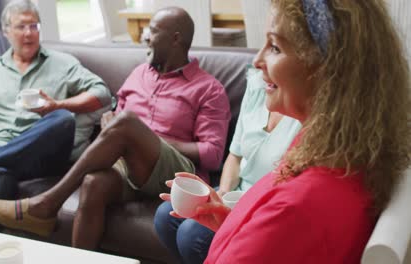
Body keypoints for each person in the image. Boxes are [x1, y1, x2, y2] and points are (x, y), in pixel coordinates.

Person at [159, 0, 410, 263]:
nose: (257, 61)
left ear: (328, 70)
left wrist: (256, 232)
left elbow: (289, 222)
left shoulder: (297, 207)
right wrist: (235, 225)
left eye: (275, 47)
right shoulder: (336, 153)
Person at [0, 6, 231, 248]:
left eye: (153, 31)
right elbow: (118, 113)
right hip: (128, 167)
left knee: (127, 124)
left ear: (175, 39)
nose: (145, 36)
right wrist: (110, 120)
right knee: (93, 183)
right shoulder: (139, 73)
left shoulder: (208, 89)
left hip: (176, 174)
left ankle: (46, 204)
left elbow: (213, 154)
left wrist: (144, 137)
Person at [0, 0, 111, 232]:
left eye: (34, 26)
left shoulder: (62, 63)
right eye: (21, 27)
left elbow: (102, 93)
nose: (29, 33)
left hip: (42, 156)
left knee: (62, 118)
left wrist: (57, 104)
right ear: (5, 31)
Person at [153, 65, 302, 264]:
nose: (258, 60)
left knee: (191, 235)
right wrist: (222, 193)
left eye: (275, 47)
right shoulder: (258, 84)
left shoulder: (307, 110)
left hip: (266, 207)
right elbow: (235, 156)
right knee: (166, 215)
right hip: (236, 194)